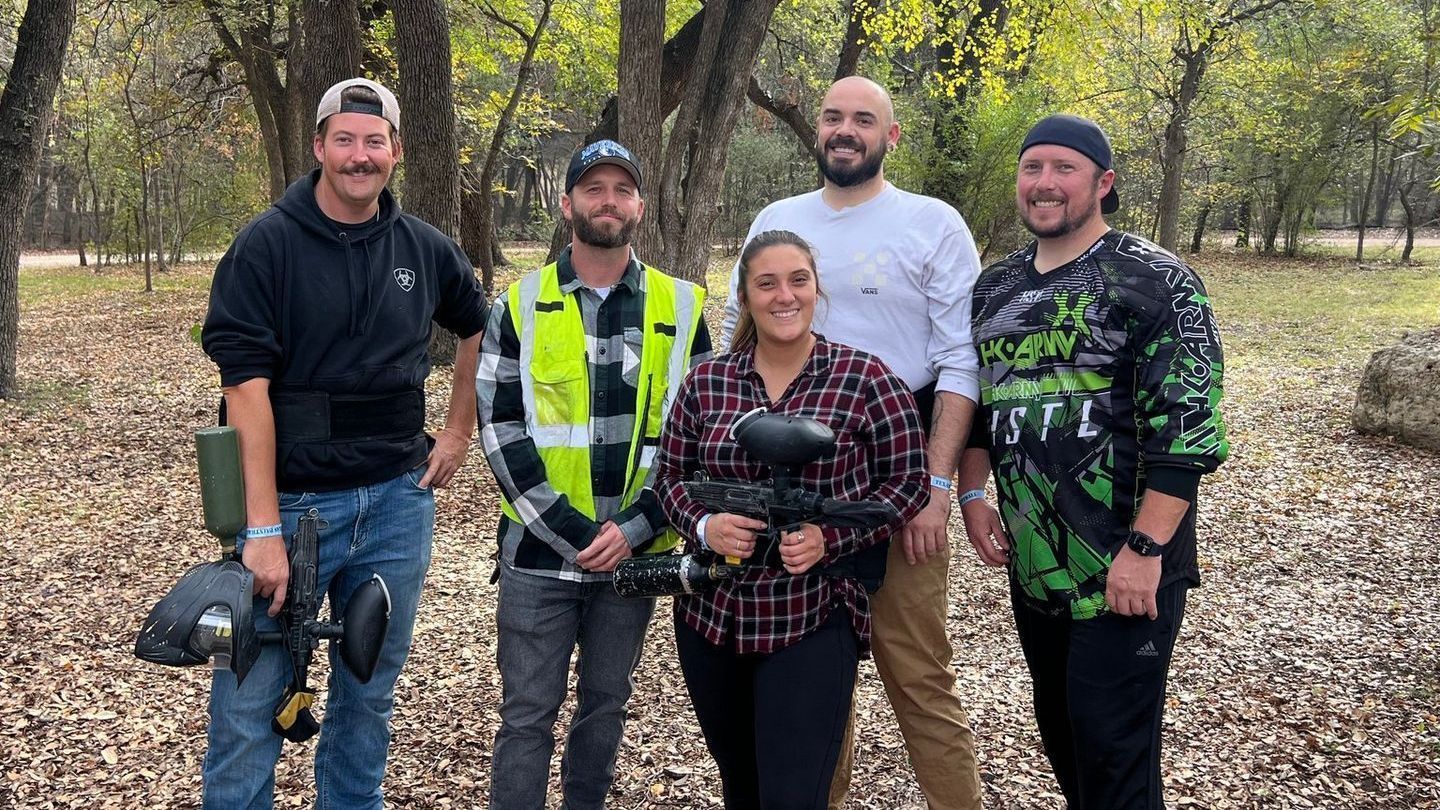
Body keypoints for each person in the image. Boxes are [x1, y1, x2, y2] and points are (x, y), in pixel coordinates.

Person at [199, 78, 488, 809]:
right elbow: (246, 395)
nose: (361, 156)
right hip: (292, 507)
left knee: (368, 691)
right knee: (248, 701)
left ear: (395, 150)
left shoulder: (424, 248)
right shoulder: (265, 246)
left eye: (375, 142)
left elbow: (480, 325)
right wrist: (261, 530)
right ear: (320, 146)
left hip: (397, 502)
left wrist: (458, 429)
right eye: (345, 140)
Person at [720, 76, 984, 809]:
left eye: (863, 119)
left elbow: (962, 359)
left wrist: (937, 487)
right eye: (833, 117)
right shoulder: (779, 218)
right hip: (793, 474)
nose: (845, 129)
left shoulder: (931, 224)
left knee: (919, 674)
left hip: (897, 472)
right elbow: (740, 340)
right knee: (811, 680)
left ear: (890, 136)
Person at [958, 113, 1230, 810]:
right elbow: (985, 404)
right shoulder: (995, 287)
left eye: (1064, 169)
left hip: (1124, 567)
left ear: (1103, 183)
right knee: (1067, 740)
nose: (1044, 183)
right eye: (1032, 168)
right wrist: (973, 494)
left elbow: (1188, 434)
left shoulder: (1156, 280)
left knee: (1115, 757)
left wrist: (1146, 547)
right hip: (1036, 568)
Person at [657, 230, 930, 809]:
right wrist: (707, 528)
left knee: (794, 794)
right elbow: (671, 479)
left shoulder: (865, 379)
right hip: (714, 614)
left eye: (798, 280)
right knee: (742, 787)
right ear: (747, 296)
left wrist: (829, 538)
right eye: (767, 283)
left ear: (816, 289)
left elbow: (907, 482)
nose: (785, 296)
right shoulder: (708, 383)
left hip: (813, 613)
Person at [476, 138, 712, 810]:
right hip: (539, 559)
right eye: (593, 188)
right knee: (525, 719)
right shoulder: (518, 305)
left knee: (605, 709)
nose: (607, 202)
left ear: (640, 204)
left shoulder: (684, 307)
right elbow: (500, 429)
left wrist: (637, 529)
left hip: (633, 562)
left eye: (621, 190)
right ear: (567, 201)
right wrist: (578, 532)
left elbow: (700, 438)